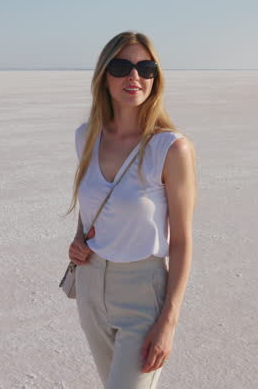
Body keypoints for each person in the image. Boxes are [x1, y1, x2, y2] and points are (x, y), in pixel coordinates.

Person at [65, 31, 196, 389]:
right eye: (122, 67)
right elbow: (93, 202)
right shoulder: (87, 136)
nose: (133, 77)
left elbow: (182, 240)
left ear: (156, 77)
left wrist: (168, 322)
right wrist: (79, 238)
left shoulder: (170, 148)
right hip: (91, 287)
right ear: (104, 76)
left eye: (145, 68)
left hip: (143, 293)